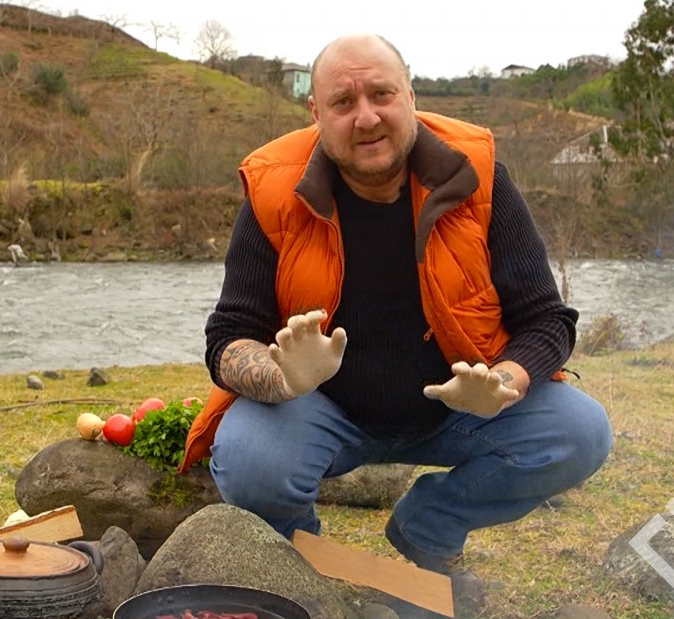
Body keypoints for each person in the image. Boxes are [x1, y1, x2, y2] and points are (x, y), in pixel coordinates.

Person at [178, 33, 613, 579]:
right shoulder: (274, 190)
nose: (366, 118)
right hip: (322, 412)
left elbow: (547, 319)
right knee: (249, 458)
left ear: (410, 95)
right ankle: (303, 568)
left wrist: (502, 381)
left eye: (381, 94)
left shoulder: (477, 175)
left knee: (580, 432)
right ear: (316, 113)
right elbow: (227, 336)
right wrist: (281, 377)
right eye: (342, 102)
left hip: (456, 412)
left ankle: (429, 526)